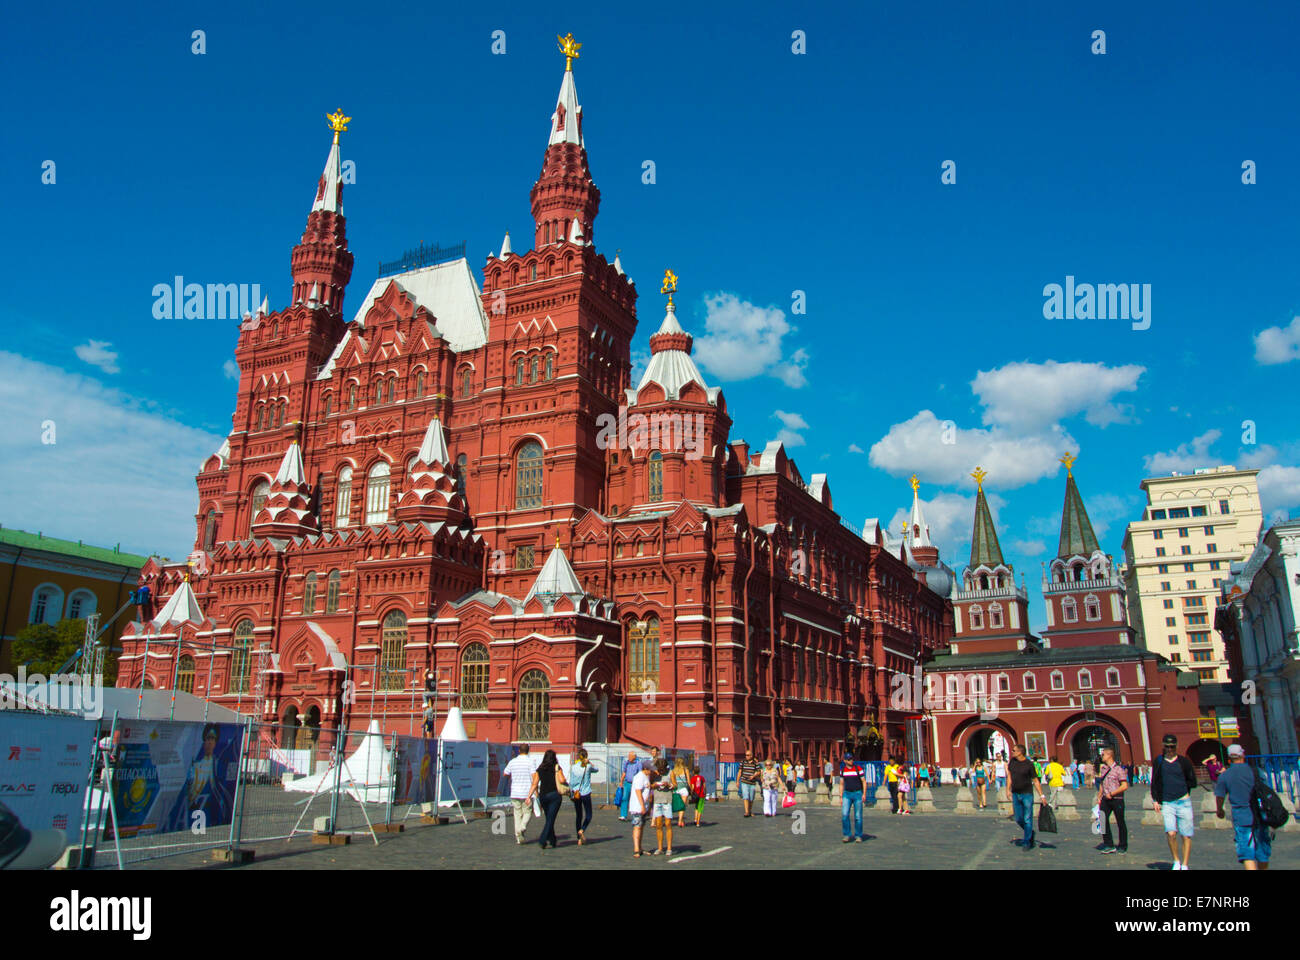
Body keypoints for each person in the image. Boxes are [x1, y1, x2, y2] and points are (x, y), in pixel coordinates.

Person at [1215, 744, 1271, 870]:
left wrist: (1220, 810)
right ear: (1242, 755)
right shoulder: (1257, 772)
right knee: (1263, 853)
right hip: (1260, 815)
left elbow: (1220, 796)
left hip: (1241, 817)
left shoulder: (1225, 776)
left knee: (1247, 854)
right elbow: (1268, 792)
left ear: (1229, 758)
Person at [1150, 734, 1197, 870]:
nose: (1170, 749)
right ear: (1163, 746)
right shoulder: (1159, 762)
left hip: (1183, 801)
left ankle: (1185, 864)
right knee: (1171, 833)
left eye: (1172, 747)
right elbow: (1155, 782)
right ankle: (1176, 861)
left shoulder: (1184, 762)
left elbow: (1192, 781)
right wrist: (1155, 800)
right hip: (1167, 802)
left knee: (1186, 835)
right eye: (1167, 747)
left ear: (1176, 746)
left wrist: (1185, 790)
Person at [525, 748, 568, 850]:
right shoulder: (557, 767)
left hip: (543, 796)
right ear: (554, 758)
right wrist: (560, 776)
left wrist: (529, 796)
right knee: (550, 819)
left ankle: (552, 840)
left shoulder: (540, 769)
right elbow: (562, 780)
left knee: (549, 818)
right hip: (554, 796)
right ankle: (542, 839)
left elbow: (534, 784)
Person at [1008, 742, 1046, 852]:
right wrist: (1008, 789)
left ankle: (1027, 841)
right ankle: (1030, 832)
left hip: (1027, 794)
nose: (1012, 752)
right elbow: (1010, 775)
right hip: (1015, 793)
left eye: (1014, 750)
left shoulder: (1029, 764)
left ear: (1020, 752)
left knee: (1027, 818)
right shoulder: (1012, 762)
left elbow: (1035, 780)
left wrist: (1042, 795)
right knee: (1018, 818)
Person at [1094, 746, 1129, 855]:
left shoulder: (1119, 769)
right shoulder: (1103, 768)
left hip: (1117, 799)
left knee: (1120, 822)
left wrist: (1112, 793)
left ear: (1109, 755)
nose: (1101, 756)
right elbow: (1102, 783)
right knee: (1103, 819)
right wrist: (1099, 795)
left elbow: (1124, 786)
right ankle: (1108, 844)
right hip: (1105, 799)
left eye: (1103, 754)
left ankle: (1122, 845)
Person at [502, 744, 536, 844]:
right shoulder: (530, 762)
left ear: (519, 751)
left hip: (515, 792)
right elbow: (534, 776)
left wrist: (511, 777)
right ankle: (523, 826)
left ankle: (518, 836)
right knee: (527, 812)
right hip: (527, 792)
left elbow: (505, 773)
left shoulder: (512, 762)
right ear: (528, 751)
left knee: (517, 814)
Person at [568, 747, 598, 846]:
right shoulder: (588, 767)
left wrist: (571, 793)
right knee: (589, 814)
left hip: (576, 793)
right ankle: (582, 829)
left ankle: (579, 839)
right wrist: (589, 762)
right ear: (586, 757)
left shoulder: (573, 767)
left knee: (578, 815)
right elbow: (596, 769)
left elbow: (571, 782)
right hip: (586, 793)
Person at [650, 760, 676, 855]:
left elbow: (675, 785)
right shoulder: (655, 774)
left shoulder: (671, 773)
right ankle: (660, 848)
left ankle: (669, 848)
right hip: (657, 801)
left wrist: (669, 785)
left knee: (668, 824)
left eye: (662, 770)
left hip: (667, 801)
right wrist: (655, 785)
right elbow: (650, 785)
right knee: (659, 825)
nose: (661, 772)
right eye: (659, 770)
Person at [629, 759, 653, 858]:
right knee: (637, 826)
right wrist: (642, 806)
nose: (652, 771)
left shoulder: (645, 777)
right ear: (646, 769)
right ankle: (636, 849)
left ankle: (640, 847)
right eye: (650, 769)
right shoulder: (639, 777)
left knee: (641, 826)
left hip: (643, 806)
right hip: (638, 806)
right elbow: (638, 791)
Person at [840, 753, 867, 842]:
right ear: (845, 761)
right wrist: (841, 796)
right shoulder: (843, 770)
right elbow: (841, 783)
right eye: (849, 759)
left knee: (858, 816)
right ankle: (847, 834)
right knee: (844, 815)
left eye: (851, 759)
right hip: (847, 794)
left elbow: (864, 781)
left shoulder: (858, 769)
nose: (851, 760)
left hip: (857, 793)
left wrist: (864, 794)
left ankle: (858, 835)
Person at [738, 749, 761, 817]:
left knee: (751, 798)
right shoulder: (743, 762)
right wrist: (737, 781)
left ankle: (750, 810)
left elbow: (759, 771)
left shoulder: (755, 763)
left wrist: (753, 776)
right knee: (745, 796)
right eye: (746, 755)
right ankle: (746, 811)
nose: (746, 756)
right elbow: (740, 771)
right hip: (744, 781)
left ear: (751, 755)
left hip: (752, 782)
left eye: (748, 755)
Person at [618, 751, 640, 821]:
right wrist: (621, 781)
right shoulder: (626, 763)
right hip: (627, 783)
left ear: (634, 757)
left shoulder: (638, 763)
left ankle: (635, 815)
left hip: (635, 784)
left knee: (635, 799)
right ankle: (623, 815)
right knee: (624, 798)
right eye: (628, 756)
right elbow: (624, 772)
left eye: (630, 756)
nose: (629, 758)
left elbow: (640, 774)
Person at [672, 756, 690, 828]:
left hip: (676, 789)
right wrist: (691, 788)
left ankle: (681, 820)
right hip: (684, 789)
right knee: (682, 806)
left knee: (678, 805)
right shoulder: (686, 770)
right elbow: (688, 781)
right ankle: (680, 820)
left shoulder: (673, 771)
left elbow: (673, 781)